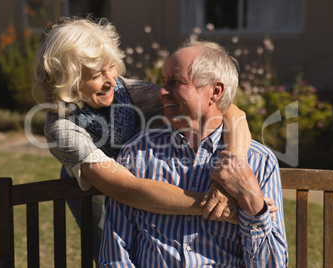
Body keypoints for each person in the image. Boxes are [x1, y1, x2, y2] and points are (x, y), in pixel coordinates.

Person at [32, 16, 267, 265]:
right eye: (96, 75)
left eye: (110, 67)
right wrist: (213, 206)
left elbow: (230, 112)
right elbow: (126, 188)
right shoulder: (61, 128)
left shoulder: (134, 93)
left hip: (153, 189)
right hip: (98, 194)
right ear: (68, 80)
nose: (111, 80)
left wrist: (230, 174)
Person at [100, 40, 288, 267]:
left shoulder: (259, 161)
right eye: (163, 81)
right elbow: (115, 256)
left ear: (216, 91)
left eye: (176, 81)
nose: (161, 91)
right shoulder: (138, 153)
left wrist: (252, 202)